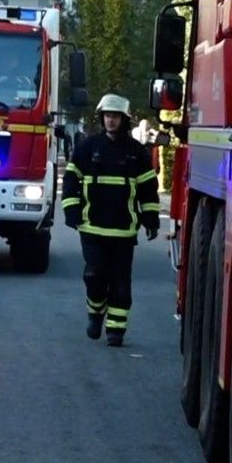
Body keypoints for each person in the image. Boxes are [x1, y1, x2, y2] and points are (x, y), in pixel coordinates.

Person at [61, 94, 159, 348]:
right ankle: (95, 312)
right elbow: (70, 180)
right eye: (107, 116)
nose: (111, 120)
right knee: (94, 275)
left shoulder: (136, 152)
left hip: (123, 231)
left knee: (121, 285)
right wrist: (71, 210)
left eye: (115, 116)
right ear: (101, 118)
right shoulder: (88, 147)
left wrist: (151, 218)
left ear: (124, 119)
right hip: (92, 227)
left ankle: (116, 331)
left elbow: (148, 189)